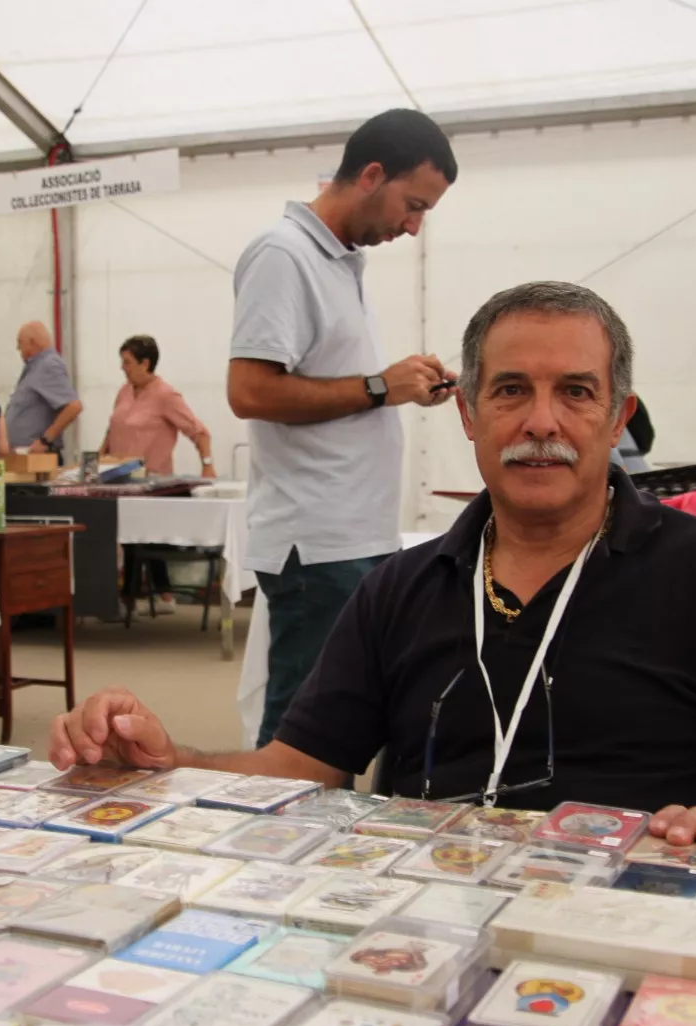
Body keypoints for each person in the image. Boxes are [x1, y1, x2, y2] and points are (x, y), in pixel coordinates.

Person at [52, 281, 696, 847]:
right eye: (510, 391)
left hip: (641, 926)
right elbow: (294, 770)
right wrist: (170, 761)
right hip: (430, 929)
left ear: (618, 418)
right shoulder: (401, 589)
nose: (540, 422)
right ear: (469, 413)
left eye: (576, 392)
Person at [229, 108, 460, 748]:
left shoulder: (337, 260)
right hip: (318, 541)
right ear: (372, 175)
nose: (412, 227)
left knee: (341, 721)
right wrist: (381, 387)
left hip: (350, 535)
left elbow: (336, 384)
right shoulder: (283, 253)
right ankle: (275, 815)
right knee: (304, 733)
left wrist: (396, 385)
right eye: (413, 205)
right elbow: (249, 392)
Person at [101, 335, 216, 478]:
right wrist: (97, 462)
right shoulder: (124, 391)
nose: (122, 368)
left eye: (127, 363)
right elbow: (112, 431)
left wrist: (207, 466)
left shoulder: (166, 395)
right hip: (117, 478)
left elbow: (200, 433)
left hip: (152, 481)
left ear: (145, 364)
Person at [5, 321, 81, 455]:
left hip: (38, 456)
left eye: (20, 343)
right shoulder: (35, 367)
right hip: (24, 456)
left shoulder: (48, 365)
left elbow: (73, 406)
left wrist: (45, 440)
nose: (18, 348)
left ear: (33, 342)